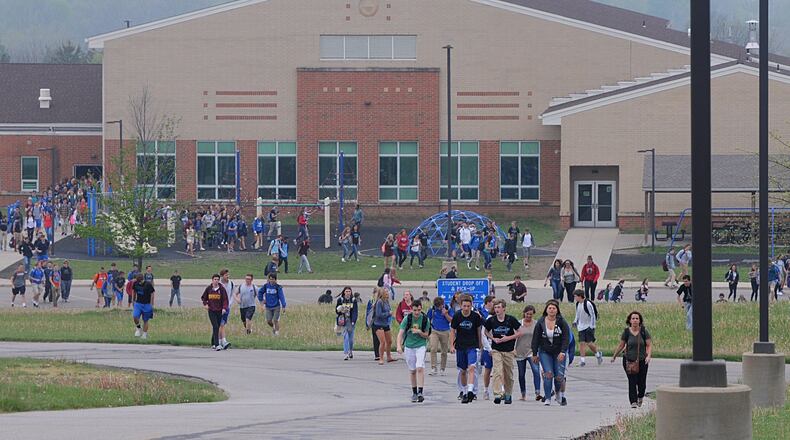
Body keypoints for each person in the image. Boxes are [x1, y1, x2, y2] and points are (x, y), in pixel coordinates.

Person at [531, 299, 570, 406]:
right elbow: (535, 339)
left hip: (558, 352)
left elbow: (566, 338)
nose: (552, 310)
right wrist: (534, 353)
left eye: (554, 308)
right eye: (550, 308)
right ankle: (548, 397)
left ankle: (557, 392)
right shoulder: (541, 322)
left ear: (557, 310)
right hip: (545, 352)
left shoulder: (562, 322)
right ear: (546, 310)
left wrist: (563, 352)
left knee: (559, 376)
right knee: (548, 374)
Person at [611, 311, 653, 408]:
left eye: (637, 318)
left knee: (641, 382)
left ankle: (640, 396)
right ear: (630, 320)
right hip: (629, 360)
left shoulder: (643, 331)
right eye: (633, 318)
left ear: (639, 321)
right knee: (632, 381)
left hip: (642, 360)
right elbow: (621, 345)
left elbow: (649, 345)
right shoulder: (626, 332)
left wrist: (648, 356)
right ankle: (633, 401)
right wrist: (614, 356)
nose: (635, 320)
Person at [484, 298, 521, 404]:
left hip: (509, 350)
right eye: (495, 307)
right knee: (497, 371)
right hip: (496, 349)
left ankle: (508, 394)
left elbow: (520, 332)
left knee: (508, 373)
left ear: (504, 308)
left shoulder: (511, 319)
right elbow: (485, 331)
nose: (497, 309)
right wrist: (492, 338)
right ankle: (497, 394)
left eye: (499, 307)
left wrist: (508, 338)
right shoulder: (491, 320)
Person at [450, 294, 484, 404]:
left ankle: (470, 391)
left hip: (472, 345)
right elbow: (452, 331)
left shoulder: (475, 317)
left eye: (468, 306)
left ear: (471, 306)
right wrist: (451, 345)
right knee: (463, 371)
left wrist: (480, 343)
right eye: (464, 306)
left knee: (472, 367)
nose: (466, 308)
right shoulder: (457, 316)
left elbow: (479, 330)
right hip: (460, 346)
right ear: (461, 306)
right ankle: (464, 391)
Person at [397, 298, 431, 403]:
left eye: (419, 310)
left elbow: (427, 335)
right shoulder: (407, 319)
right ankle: (414, 392)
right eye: (415, 310)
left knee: (419, 367)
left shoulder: (425, 319)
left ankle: (420, 392)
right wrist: (399, 345)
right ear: (412, 309)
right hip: (409, 346)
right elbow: (400, 333)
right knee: (412, 370)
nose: (417, 312)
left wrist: (420, 332)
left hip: (420, 345)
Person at [515, 305, 542, 401]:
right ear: (524, 313)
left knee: (536, 370)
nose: (529, 316)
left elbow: (539, 338)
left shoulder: (536, 324)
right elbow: (514, 337)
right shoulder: (519, 323)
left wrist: (538, 351)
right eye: (527, 314)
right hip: (520, 351)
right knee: (521, 374)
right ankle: (523, 394)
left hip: (532, 351)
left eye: (531, 314)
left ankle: (537, 393)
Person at [573, 289, 603, 366]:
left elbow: (593, 315)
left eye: (576, 296)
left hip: (589, 326)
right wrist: (575, 321)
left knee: (589, 343)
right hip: (581, 327)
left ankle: (598, 355)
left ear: (580, 296)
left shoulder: (588, 304)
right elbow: (577, 314)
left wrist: (592, 326)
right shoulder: (577, 304)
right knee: (582, 343)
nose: (575, 298)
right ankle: (582, 361)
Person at [202, 274, 229, 350]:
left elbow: (225, 300)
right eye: (215, 279)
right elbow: (204, 298)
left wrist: (224, 308)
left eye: (217, 279)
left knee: (216, 326)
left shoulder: (222, 289)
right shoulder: (209, 288)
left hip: (219, 311)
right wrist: (205, 304)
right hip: (211, 310)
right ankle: (217, 345)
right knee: (216, 326)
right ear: (212, 280)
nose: (216, 281)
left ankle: (213, 343)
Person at [427, 296, 453, 376]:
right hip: (435, 331)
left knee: (444, 351)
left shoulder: (448, 308)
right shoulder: (432, 309)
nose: (439, 308)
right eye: (437, 307)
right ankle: (433, 367)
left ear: (443, 304)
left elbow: (451, 320)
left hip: (445, 331)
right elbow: (428, 319)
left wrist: (445, 314)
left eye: (440, 306)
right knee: (433, 348)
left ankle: (442, 368)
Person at [336, 286, 358, 360]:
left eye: (349, 291)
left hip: (350, 321)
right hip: (343, 320)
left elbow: (355, 311)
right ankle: (346, 353)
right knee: (345, 337)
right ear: (344, 292)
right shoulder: (340, 299)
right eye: (346, 291)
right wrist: (339, 309)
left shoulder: (353, 300)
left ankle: (350, 351)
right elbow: (336, 310)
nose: (348, 293)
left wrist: (353, 321)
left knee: (351, 338)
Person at [131, 273, 155, 339]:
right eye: (138, 282)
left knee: (145, 320)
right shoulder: (135, 283)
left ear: (143, 279)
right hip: (138, 303)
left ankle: (144, 334)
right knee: (135, 316)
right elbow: (134, 291)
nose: (139, 283)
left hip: (147, 304)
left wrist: (151, 304)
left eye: (140, 282)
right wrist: (133, 300)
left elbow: (152, 293)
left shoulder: (148, 284)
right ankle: (138, 328)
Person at [217, 268, 235, 349]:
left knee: (222, 324)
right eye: (226, 275)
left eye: (228, 275)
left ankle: (220, 341)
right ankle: (223, 341)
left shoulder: (231, 283)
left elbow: (232, 295)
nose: (228, 276)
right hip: (218, 307)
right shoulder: (218, 284)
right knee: (221, 324)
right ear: (222, 276)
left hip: (227, 307)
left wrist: (229, 304)